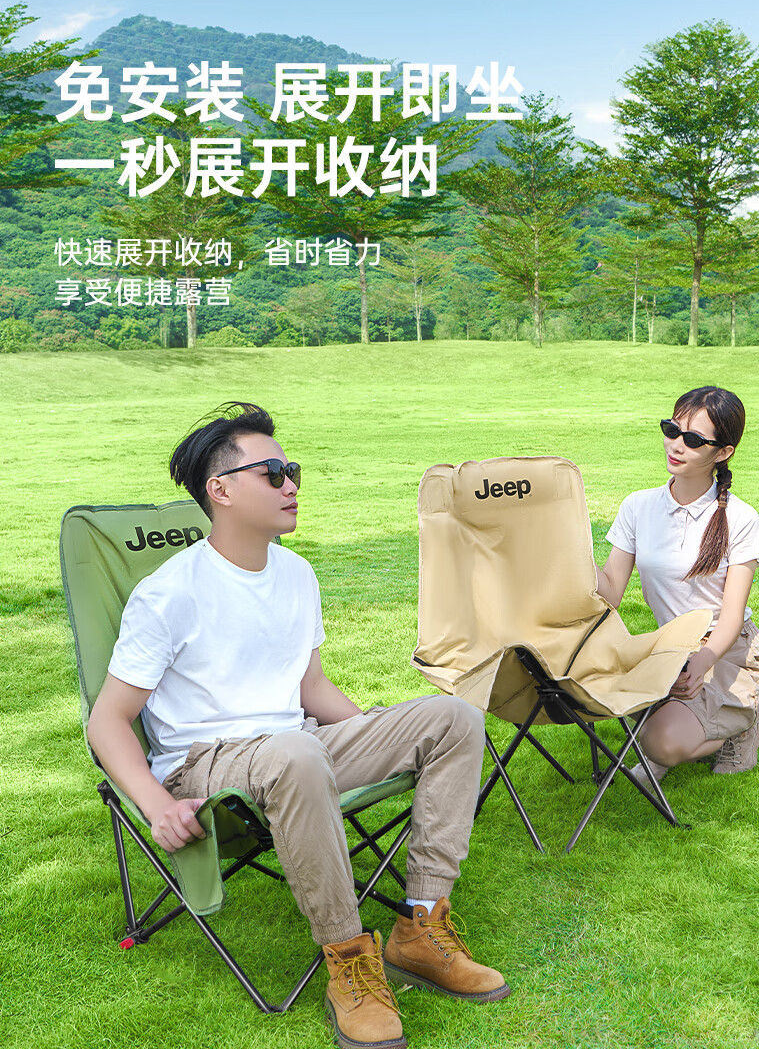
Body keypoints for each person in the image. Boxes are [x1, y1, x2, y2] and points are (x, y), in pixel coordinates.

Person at [87, 402, 509, 1049]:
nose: (291, 485)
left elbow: (310, 689)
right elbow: (108, 720)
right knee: (297, 753)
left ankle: (420, 926)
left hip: (298, 747)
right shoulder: (170, 593)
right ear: (221, 490)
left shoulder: (296, 573)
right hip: (209, 762)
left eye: (294, 472)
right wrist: (154, 804)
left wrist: (382, 735)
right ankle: (349, 961)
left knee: (453, 716)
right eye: (274, 473)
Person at [595, 386, 759, 789]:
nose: (676, 445)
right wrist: (566, 552)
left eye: (693, 439)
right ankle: (695, 721)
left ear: (723, 452)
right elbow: (610, 592)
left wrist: (702, 661)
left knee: (660, 742)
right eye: (671, 430)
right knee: (599, 695)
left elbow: (731, 617)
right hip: (669, 644)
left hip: (725, 650)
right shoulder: (638, 506)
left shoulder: (741, 518)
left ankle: (742, 723)